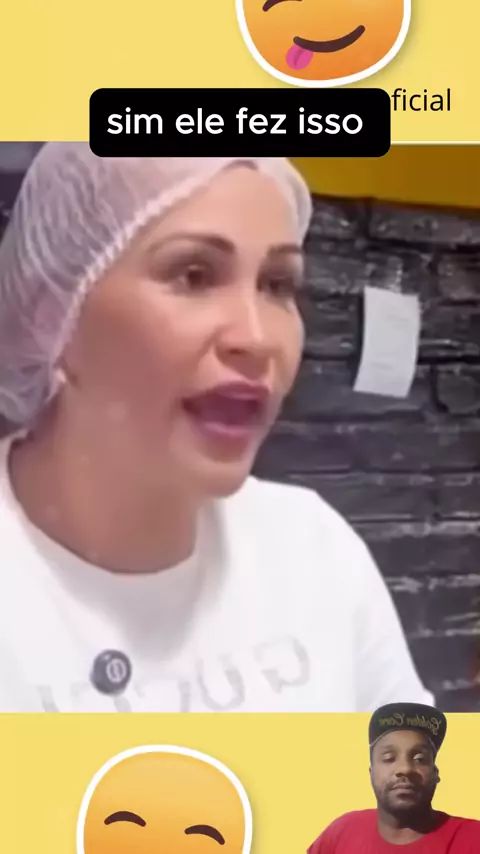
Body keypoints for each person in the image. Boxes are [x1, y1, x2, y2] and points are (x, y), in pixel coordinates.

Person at [0, 145, 432, 712]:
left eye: (277, 284)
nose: (257, 337)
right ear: (50, 314)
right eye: (194, 275)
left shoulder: (314, 550)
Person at [307, 702, 480, 852]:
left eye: (419, 759)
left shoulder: (473, 839)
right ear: (371, 773)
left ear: (435, 773)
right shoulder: (342, 832)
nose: (405, 768)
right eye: (389, 758)